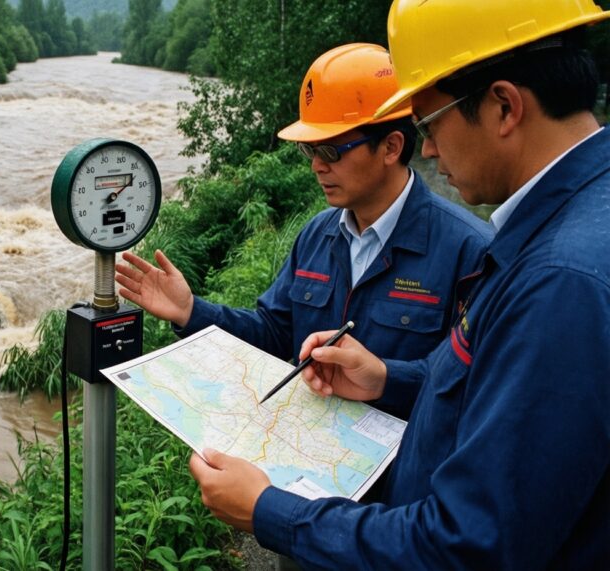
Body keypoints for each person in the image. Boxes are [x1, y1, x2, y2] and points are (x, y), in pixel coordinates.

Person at [188, 1, 610, 568]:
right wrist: (384, 378)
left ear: (504, 106)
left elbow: (468, 545)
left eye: (431, 124)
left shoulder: (559, 280)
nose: (428, 149)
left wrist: (268, 510)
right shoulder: (565, 229)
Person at [116, 43, 491, 416]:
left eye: (329, 152)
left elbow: (474, 385)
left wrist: (385, 377)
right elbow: (273, 333)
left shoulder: (470, 251)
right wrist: (191, 310)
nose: (316, 166)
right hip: (313, 466)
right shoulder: (317, 234)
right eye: (309, 151)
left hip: (402, 472)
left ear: (391, 147)